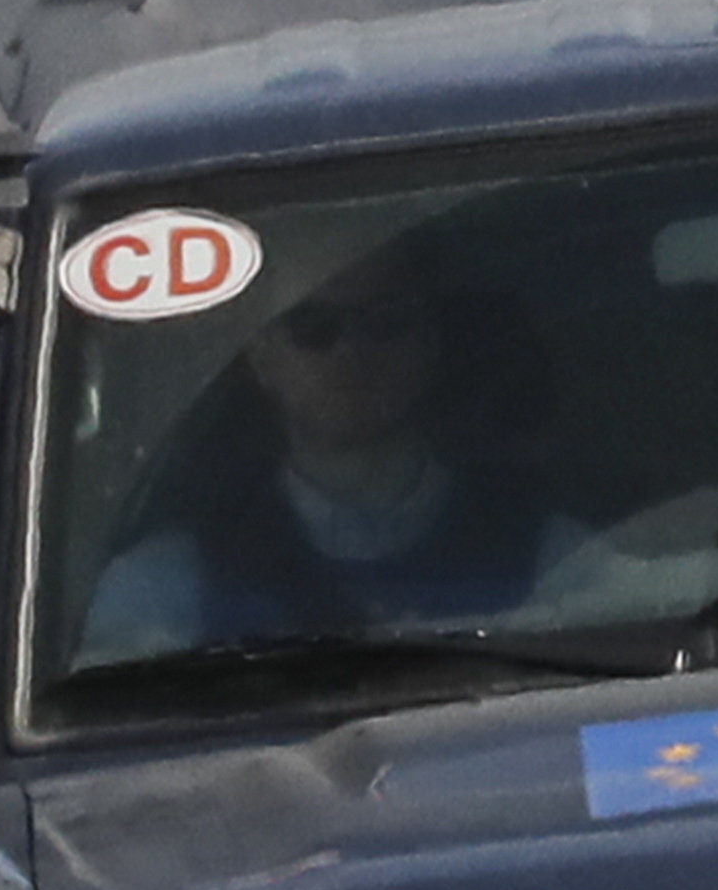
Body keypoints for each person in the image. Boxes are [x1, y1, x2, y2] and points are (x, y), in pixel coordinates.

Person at [74, 253, 564, 656]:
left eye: (386, 322)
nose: (350, 351)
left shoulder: (555, 558)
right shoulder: (163, 589)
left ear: (429, 343)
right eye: (313, 326)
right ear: (262, 356)